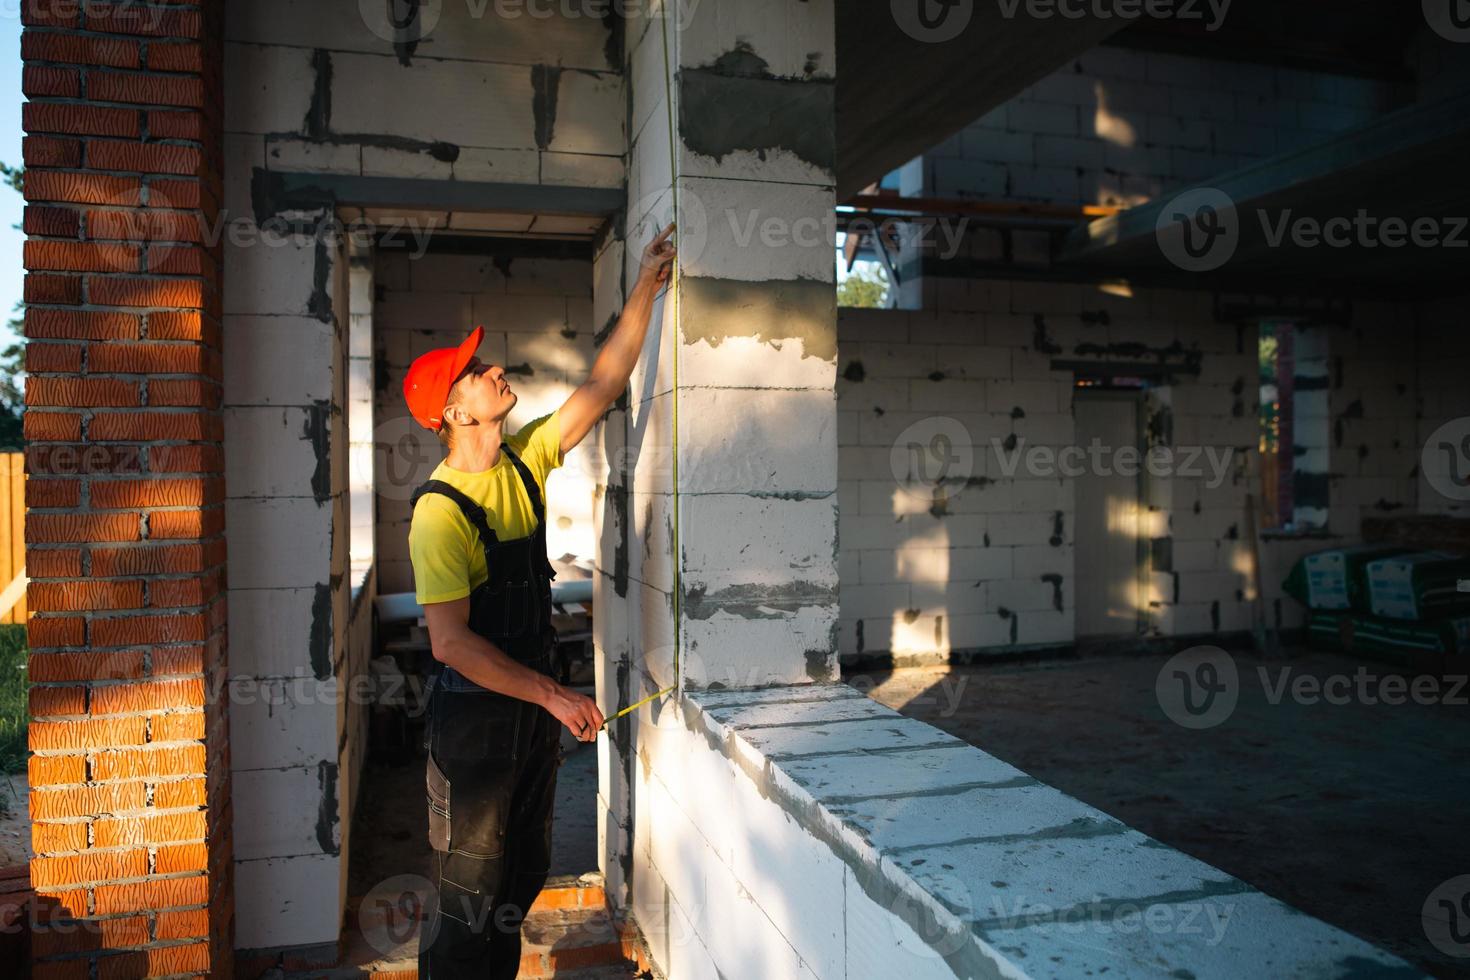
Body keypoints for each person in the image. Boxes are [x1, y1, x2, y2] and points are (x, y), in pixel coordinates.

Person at [404, 224, 676, 978]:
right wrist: (555, 696)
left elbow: (604, 384)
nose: (493, 370)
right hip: (476, 729)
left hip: (527, 718)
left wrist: (648, 284)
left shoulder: (524, 463)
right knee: (468, 900)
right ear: (455, 414)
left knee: (519, 882)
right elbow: (452, 644)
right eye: (475, 372)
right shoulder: (439, 512)